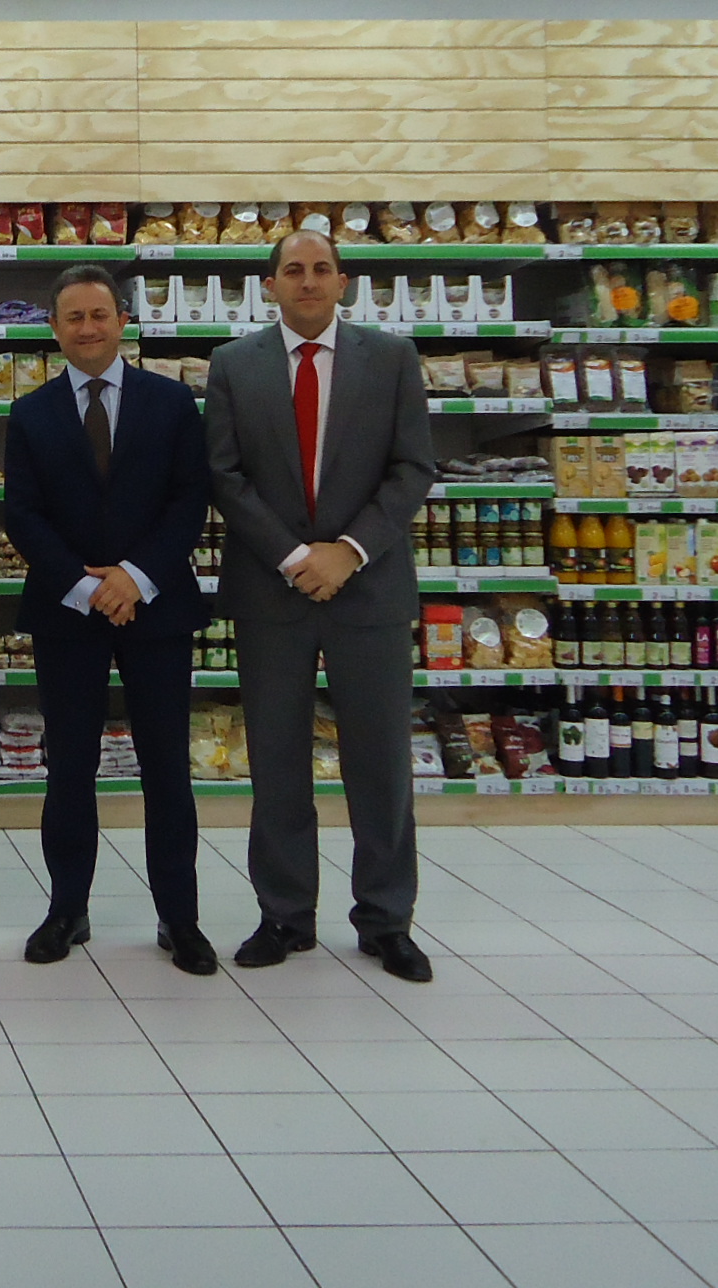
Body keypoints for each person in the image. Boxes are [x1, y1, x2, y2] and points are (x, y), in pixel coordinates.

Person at [205, 228, 437, 983]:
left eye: (321, 269)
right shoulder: (234, 365)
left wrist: (349, 551)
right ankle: (284, 914)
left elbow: (412, 468)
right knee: (277, 761)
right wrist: (295, 557)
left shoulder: (392, 359)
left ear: (344, 282)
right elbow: (225, 475)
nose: (307, 281)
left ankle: (386, 920)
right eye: (293, 270)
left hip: (368, 587)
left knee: (381, 762)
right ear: (269, 285)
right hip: (272, 590)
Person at [4, 263, 216, 972]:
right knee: (70, 767)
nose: (88, 328)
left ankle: (179, 917)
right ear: (54, 328)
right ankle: (67, 909)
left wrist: (134, 577)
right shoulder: (30, 413)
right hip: (67, 611)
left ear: (123, 321)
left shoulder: (172, 401)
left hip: (156, 606)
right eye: (73, 317)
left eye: (99, 315)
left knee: (167, 768)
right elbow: (22, 514)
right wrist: (82, 584)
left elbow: (189, 500)